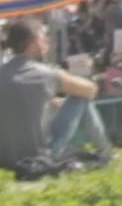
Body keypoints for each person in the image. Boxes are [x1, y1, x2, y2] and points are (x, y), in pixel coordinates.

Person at [0, 19, 113, 176]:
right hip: (40, 158)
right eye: (43, 37)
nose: (48, 40)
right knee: (81, 98)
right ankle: (106, 153)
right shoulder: (45, 74)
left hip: (6, 160)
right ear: (32, 43)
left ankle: (105, 153)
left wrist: (52, 102)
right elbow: (91, 90)